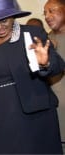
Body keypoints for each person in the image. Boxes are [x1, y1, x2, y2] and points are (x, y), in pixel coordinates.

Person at [0, 0, 64, 154]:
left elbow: (58, 66)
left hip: (34, 118)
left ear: (13, 16)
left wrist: (45, 64)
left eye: (4, 20)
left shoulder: (33, 34)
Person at [44, 0, 65, 145]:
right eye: (45, 13)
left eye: (52, 10)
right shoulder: (45, 40)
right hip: (54, 111)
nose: (47, 16)